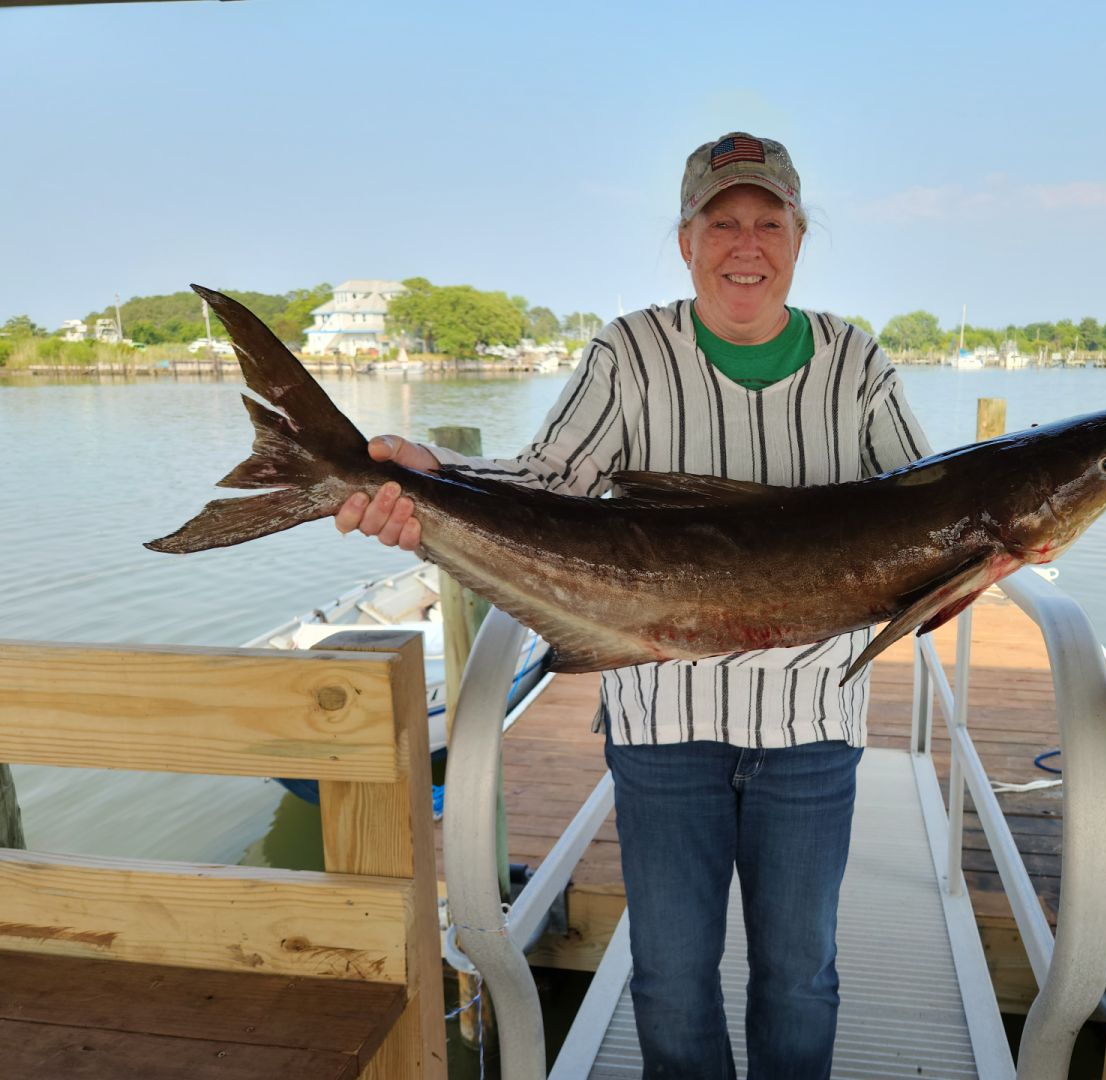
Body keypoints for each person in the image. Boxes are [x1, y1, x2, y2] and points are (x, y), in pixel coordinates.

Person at [335, 132, 931, 1079]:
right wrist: (430, 476)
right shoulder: (631, 351)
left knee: (800, 976)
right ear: (686, 240)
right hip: (662, 725)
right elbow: (548, 482)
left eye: (768, 222)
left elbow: (921, 508)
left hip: (812, 723)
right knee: (670, 977)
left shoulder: (854, 360)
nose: (746, 245)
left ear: (799, 238)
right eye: (721, 224)